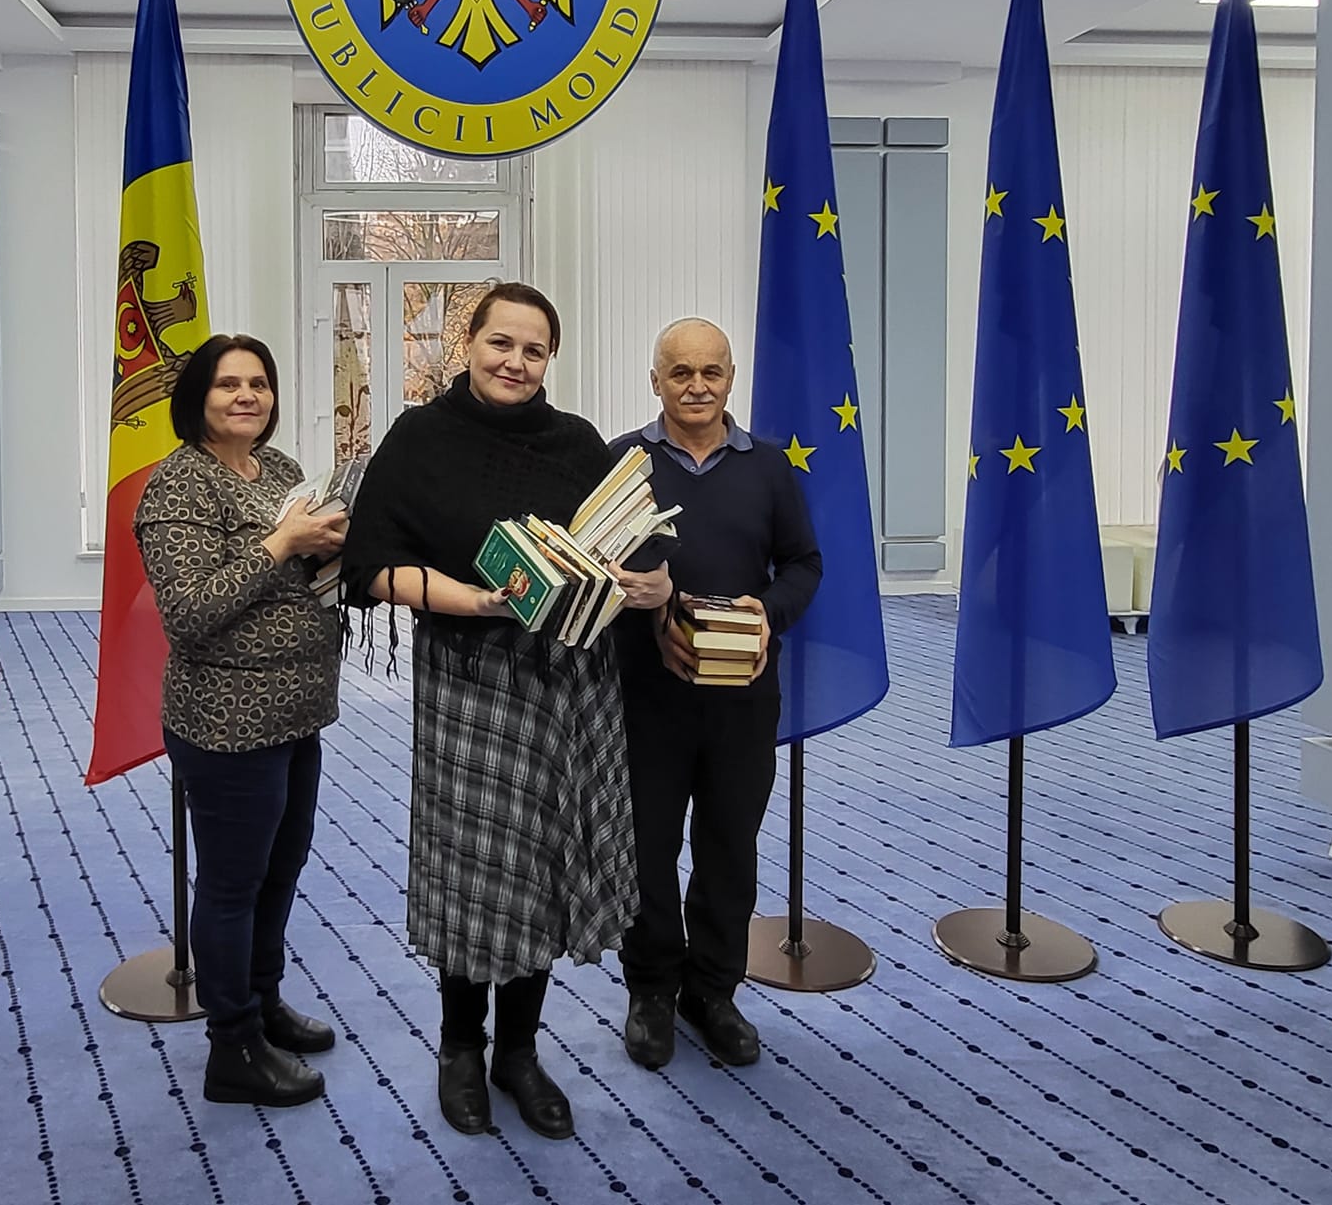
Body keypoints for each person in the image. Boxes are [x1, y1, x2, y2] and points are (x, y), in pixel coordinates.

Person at [341, 283, 670, 1141]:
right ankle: (461, 1046)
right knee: (475, 866)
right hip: (470, 675)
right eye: (501, 343)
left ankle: (518, 1052)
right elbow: (370, 565)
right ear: (469, 343)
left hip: (569, 680)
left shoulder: (577, 442)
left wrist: (643, 581)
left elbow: (631, 548)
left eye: (534, 350)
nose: (516, 362)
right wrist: (479, 600)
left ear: (549, 359)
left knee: (542, 863)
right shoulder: (419, 437)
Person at [136, 334, 348, 1107]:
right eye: (228, 384)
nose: (247, 396)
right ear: (197, 396)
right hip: (226, 722)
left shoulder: (281, 469)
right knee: (232, 885)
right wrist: (284, 540)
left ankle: (263, 1001)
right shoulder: (178, 485)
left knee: (281, 869)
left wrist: (334, 547)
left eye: (259, 382)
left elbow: (306, 576)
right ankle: (232, 1045)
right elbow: (190, 613)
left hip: (298, 710)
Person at [612, 318, 822, 1070]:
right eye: (680, 372)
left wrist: (768, 612)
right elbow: (594, 571)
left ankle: (713, 991)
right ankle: (651, 990)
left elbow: (803, 564)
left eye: (711, 371)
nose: (696, 386)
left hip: (743, 698)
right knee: (647, 848)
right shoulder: (624, 463)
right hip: (647, 694)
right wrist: (653, 616)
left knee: (730, 846)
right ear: (655, 380)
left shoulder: (768, 467)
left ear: (731, 377)